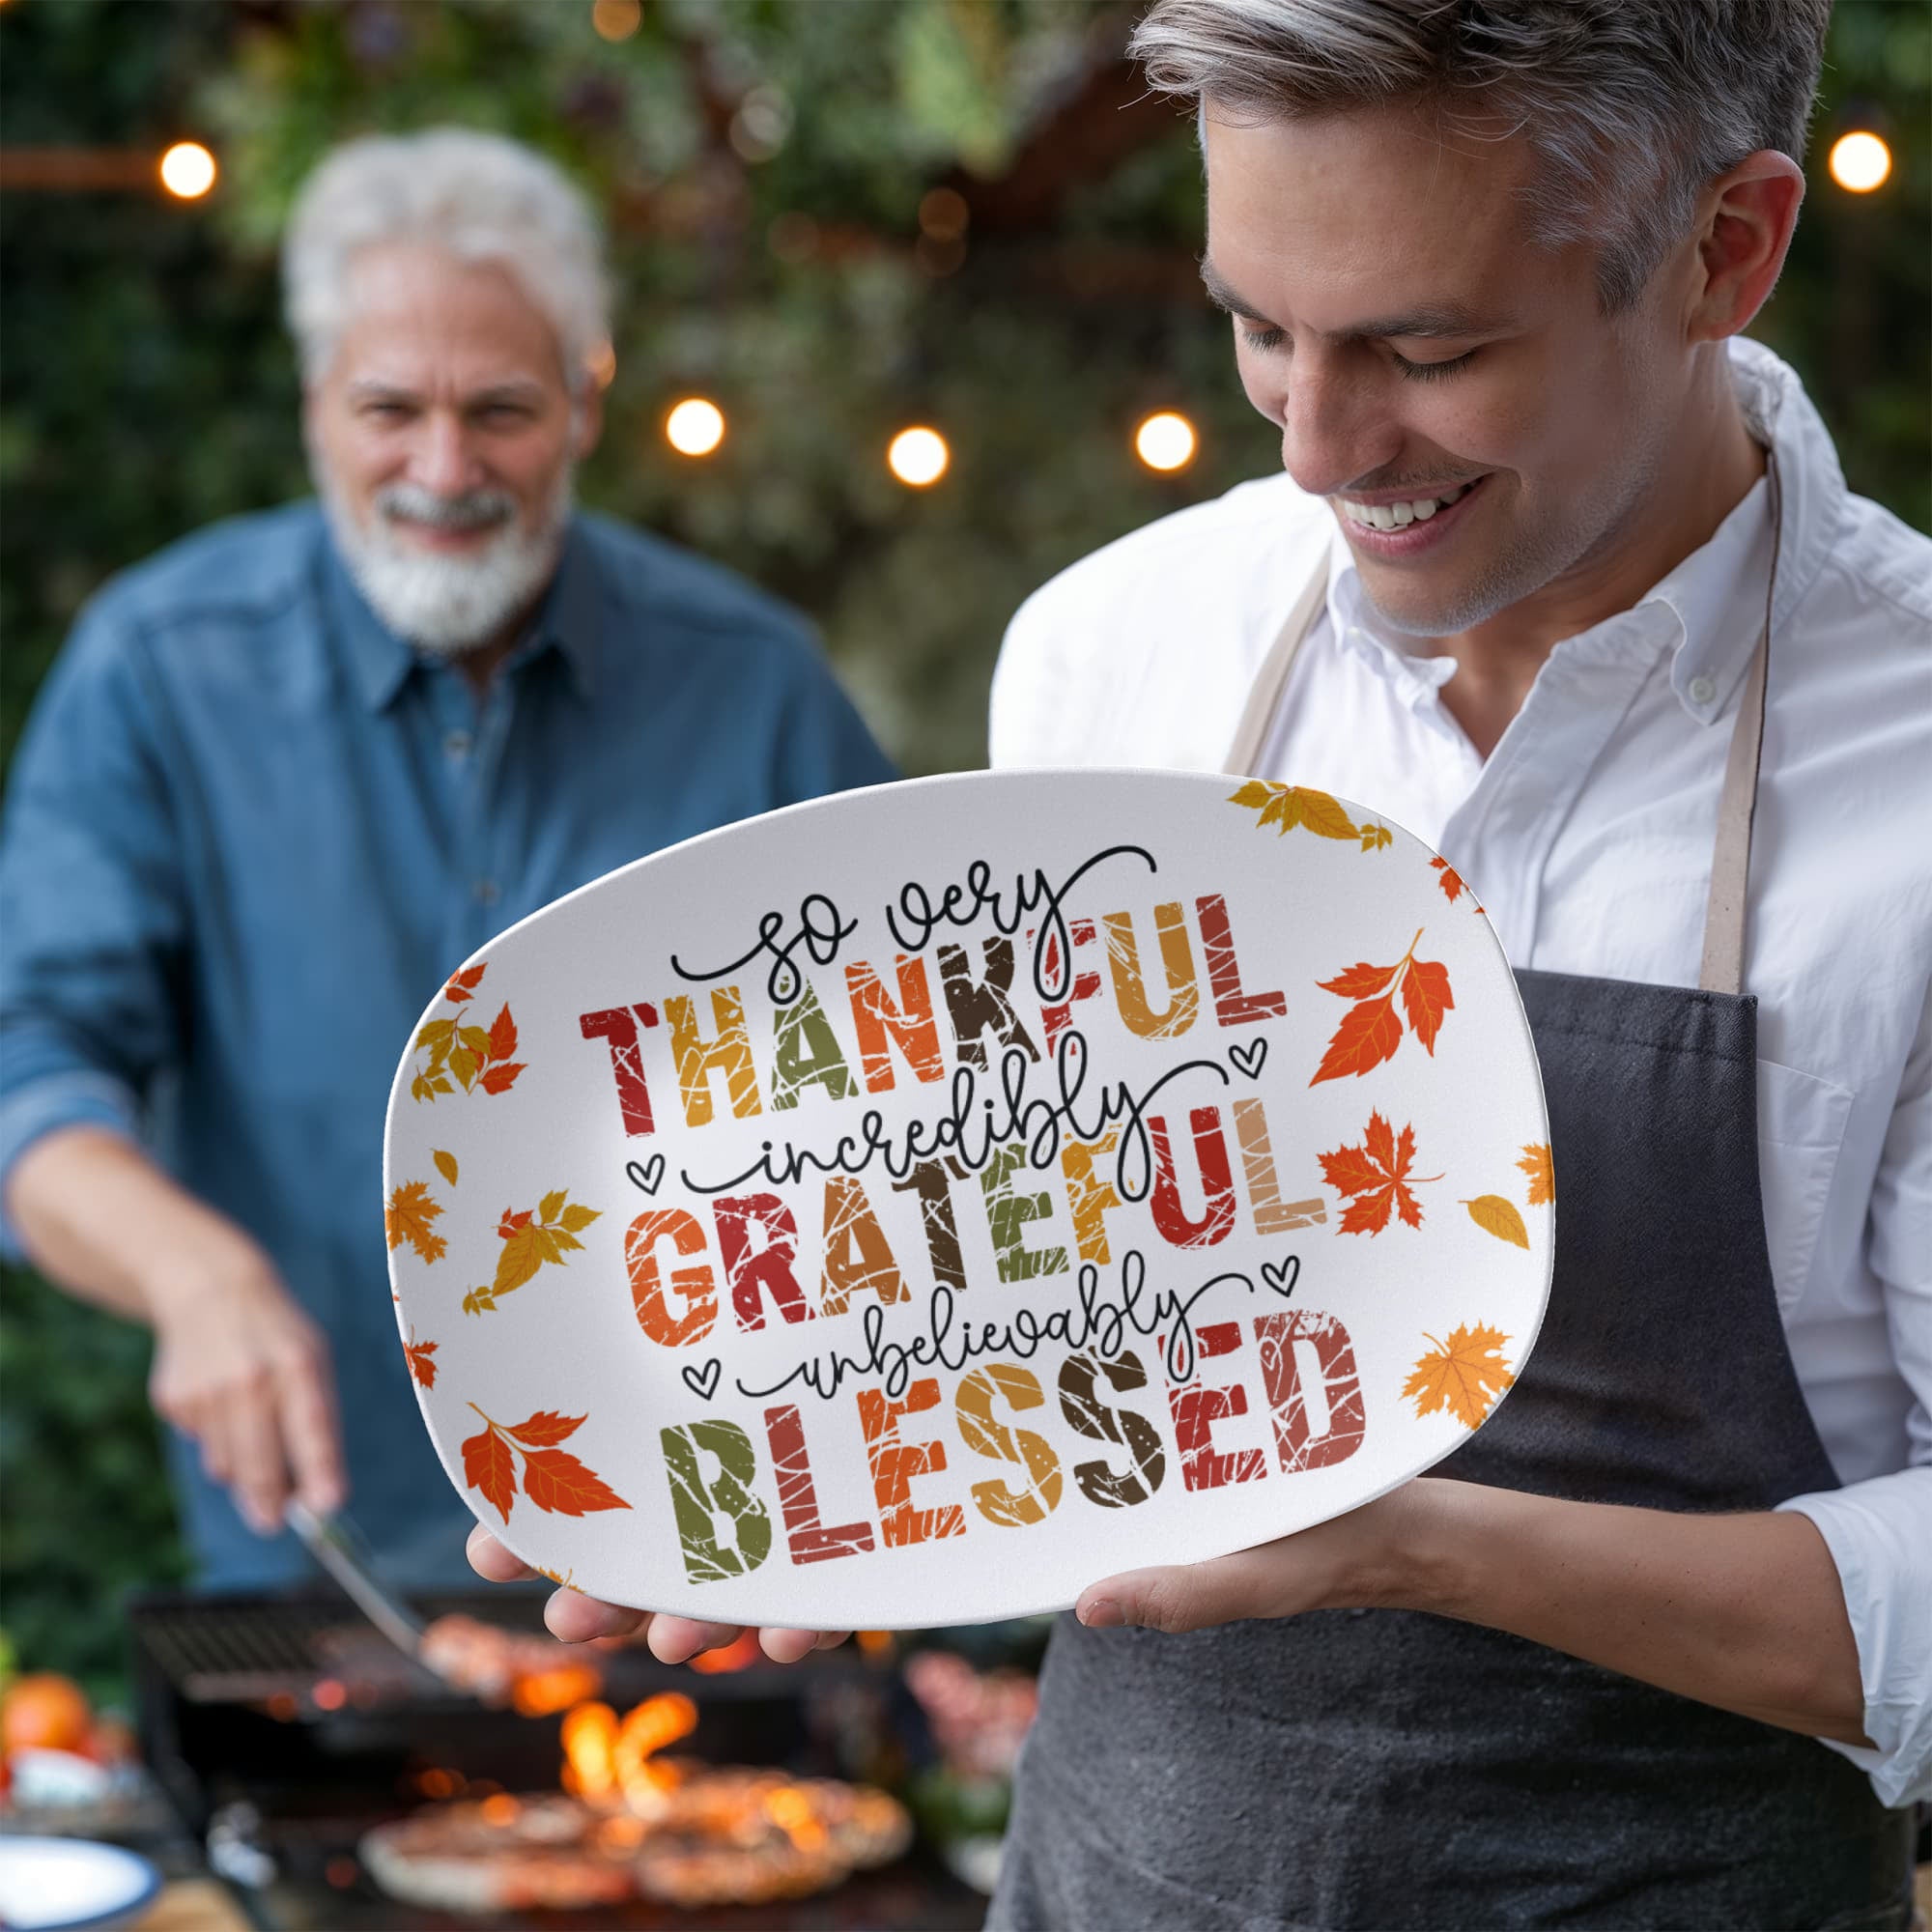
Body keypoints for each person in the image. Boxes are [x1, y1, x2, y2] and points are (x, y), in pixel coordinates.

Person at [469, 3, 1931, 1925]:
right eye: (1256, 327)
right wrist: (836, 1472)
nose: (1320, 449)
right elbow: (1024, 1302)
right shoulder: (1121, 650)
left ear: (1726, 250)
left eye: (1427, 350)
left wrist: (1411, 1545)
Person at [0, 128, 895, 1593]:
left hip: (706, 1549)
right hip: (315, 1567)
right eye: (389, 408)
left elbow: (916, 1081)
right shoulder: (158, 669)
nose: (443, 466)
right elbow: (30, 1074)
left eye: (500, 411)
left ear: (586, 402)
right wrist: (191, 1272)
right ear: (314, 406)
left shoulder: (758, 689)